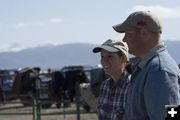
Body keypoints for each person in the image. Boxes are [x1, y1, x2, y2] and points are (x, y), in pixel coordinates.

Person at [113, 10, 180, 120]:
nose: (124, 39)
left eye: (128, 34)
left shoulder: (159, 70)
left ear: (144, 33)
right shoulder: (148, 67)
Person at [93, 39, 131, 120]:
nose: (104, 61)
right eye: (102, 56)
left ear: (123, 58)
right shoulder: (104, 86)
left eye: (110, 56)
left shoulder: (133, 87)